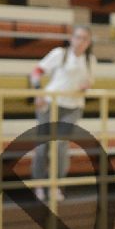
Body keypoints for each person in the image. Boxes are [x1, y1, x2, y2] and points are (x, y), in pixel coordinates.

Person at [29, 26, 96, 201]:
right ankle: (38, 184)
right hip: (51, 103)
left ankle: (56, 185)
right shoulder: (59, 54)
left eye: (84, 39)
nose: (80, 42)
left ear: (88, 42)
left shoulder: (90, 60)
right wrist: (38, 91)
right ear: (71, 38)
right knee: (43, 146)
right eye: (77, 37)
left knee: (60, 145)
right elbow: (36, 72)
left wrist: (86, 86)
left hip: (73, 106)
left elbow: (89, 81)